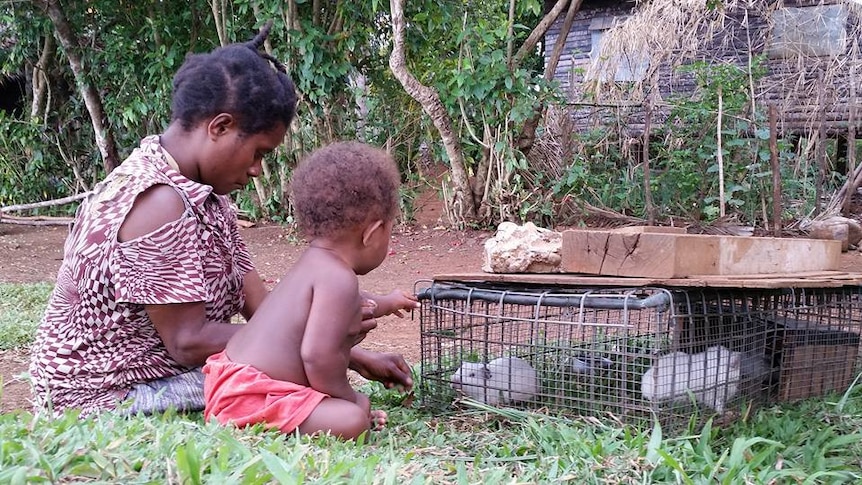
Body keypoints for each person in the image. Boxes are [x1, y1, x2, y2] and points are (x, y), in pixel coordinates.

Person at [28, 22, 417, 418]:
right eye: (259, 153)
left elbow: (263, 311)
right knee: (272, 384)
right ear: (220, 127)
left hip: (171, 371)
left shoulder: (202, 193)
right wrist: (327, 346)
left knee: (278, 373)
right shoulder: (157, 201)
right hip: (108, 393)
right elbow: (187, 342)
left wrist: (350, 353)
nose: (257, 171)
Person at [203, 141, 412, 439]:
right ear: (373, 232)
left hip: (230, 380)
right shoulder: (339, 279)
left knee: (347, 412)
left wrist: (389, 302)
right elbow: (318, 358)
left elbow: (345, 309)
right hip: (251, 396)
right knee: (352, 418)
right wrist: (350, 400)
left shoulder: (314, 264)